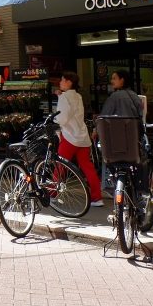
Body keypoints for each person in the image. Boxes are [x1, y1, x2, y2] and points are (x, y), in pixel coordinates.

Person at [54, 72, 103, 207]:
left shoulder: (64, 97)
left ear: (69, 82)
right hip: (82, 136)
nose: (60, 82)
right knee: (87, 167)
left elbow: (62, 117)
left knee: (60, 165)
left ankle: (52, 193)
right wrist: (60, 96)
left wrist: (54, 119)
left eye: (62, 80)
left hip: (69, 136)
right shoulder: (78, 96)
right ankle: (97, 198)